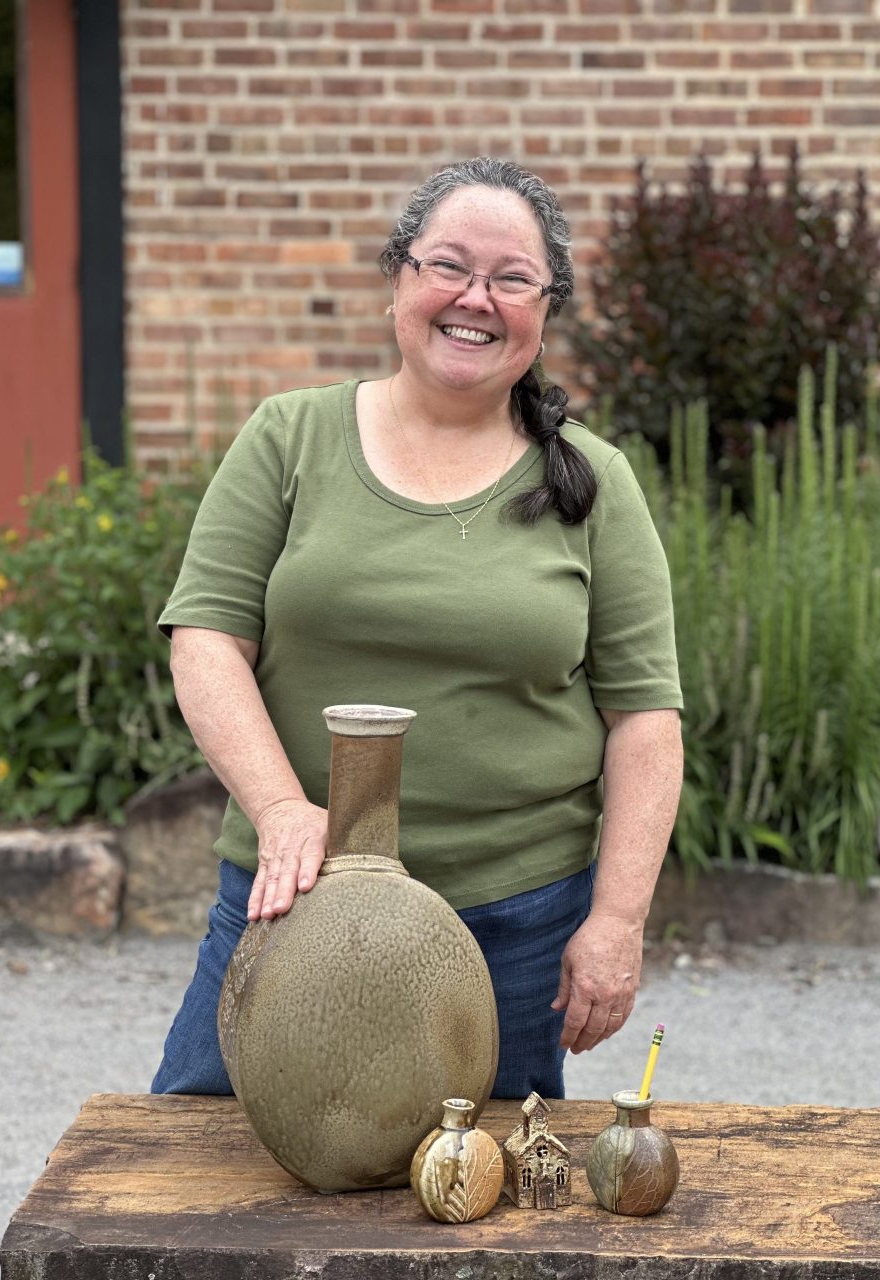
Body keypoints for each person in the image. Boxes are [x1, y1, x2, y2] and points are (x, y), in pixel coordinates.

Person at [151, 156, 683, 1101]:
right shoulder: (288, 437)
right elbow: (206, 639)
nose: (476, 298)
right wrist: (281, 812)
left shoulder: (595, 482)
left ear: (546, 310)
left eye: (513, 278)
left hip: (513, 924)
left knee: (475, 1181)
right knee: (200, 1161)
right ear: (398, 276)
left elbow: (645, 718)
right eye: (448, 265)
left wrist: (616, 921)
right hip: (295, 894)